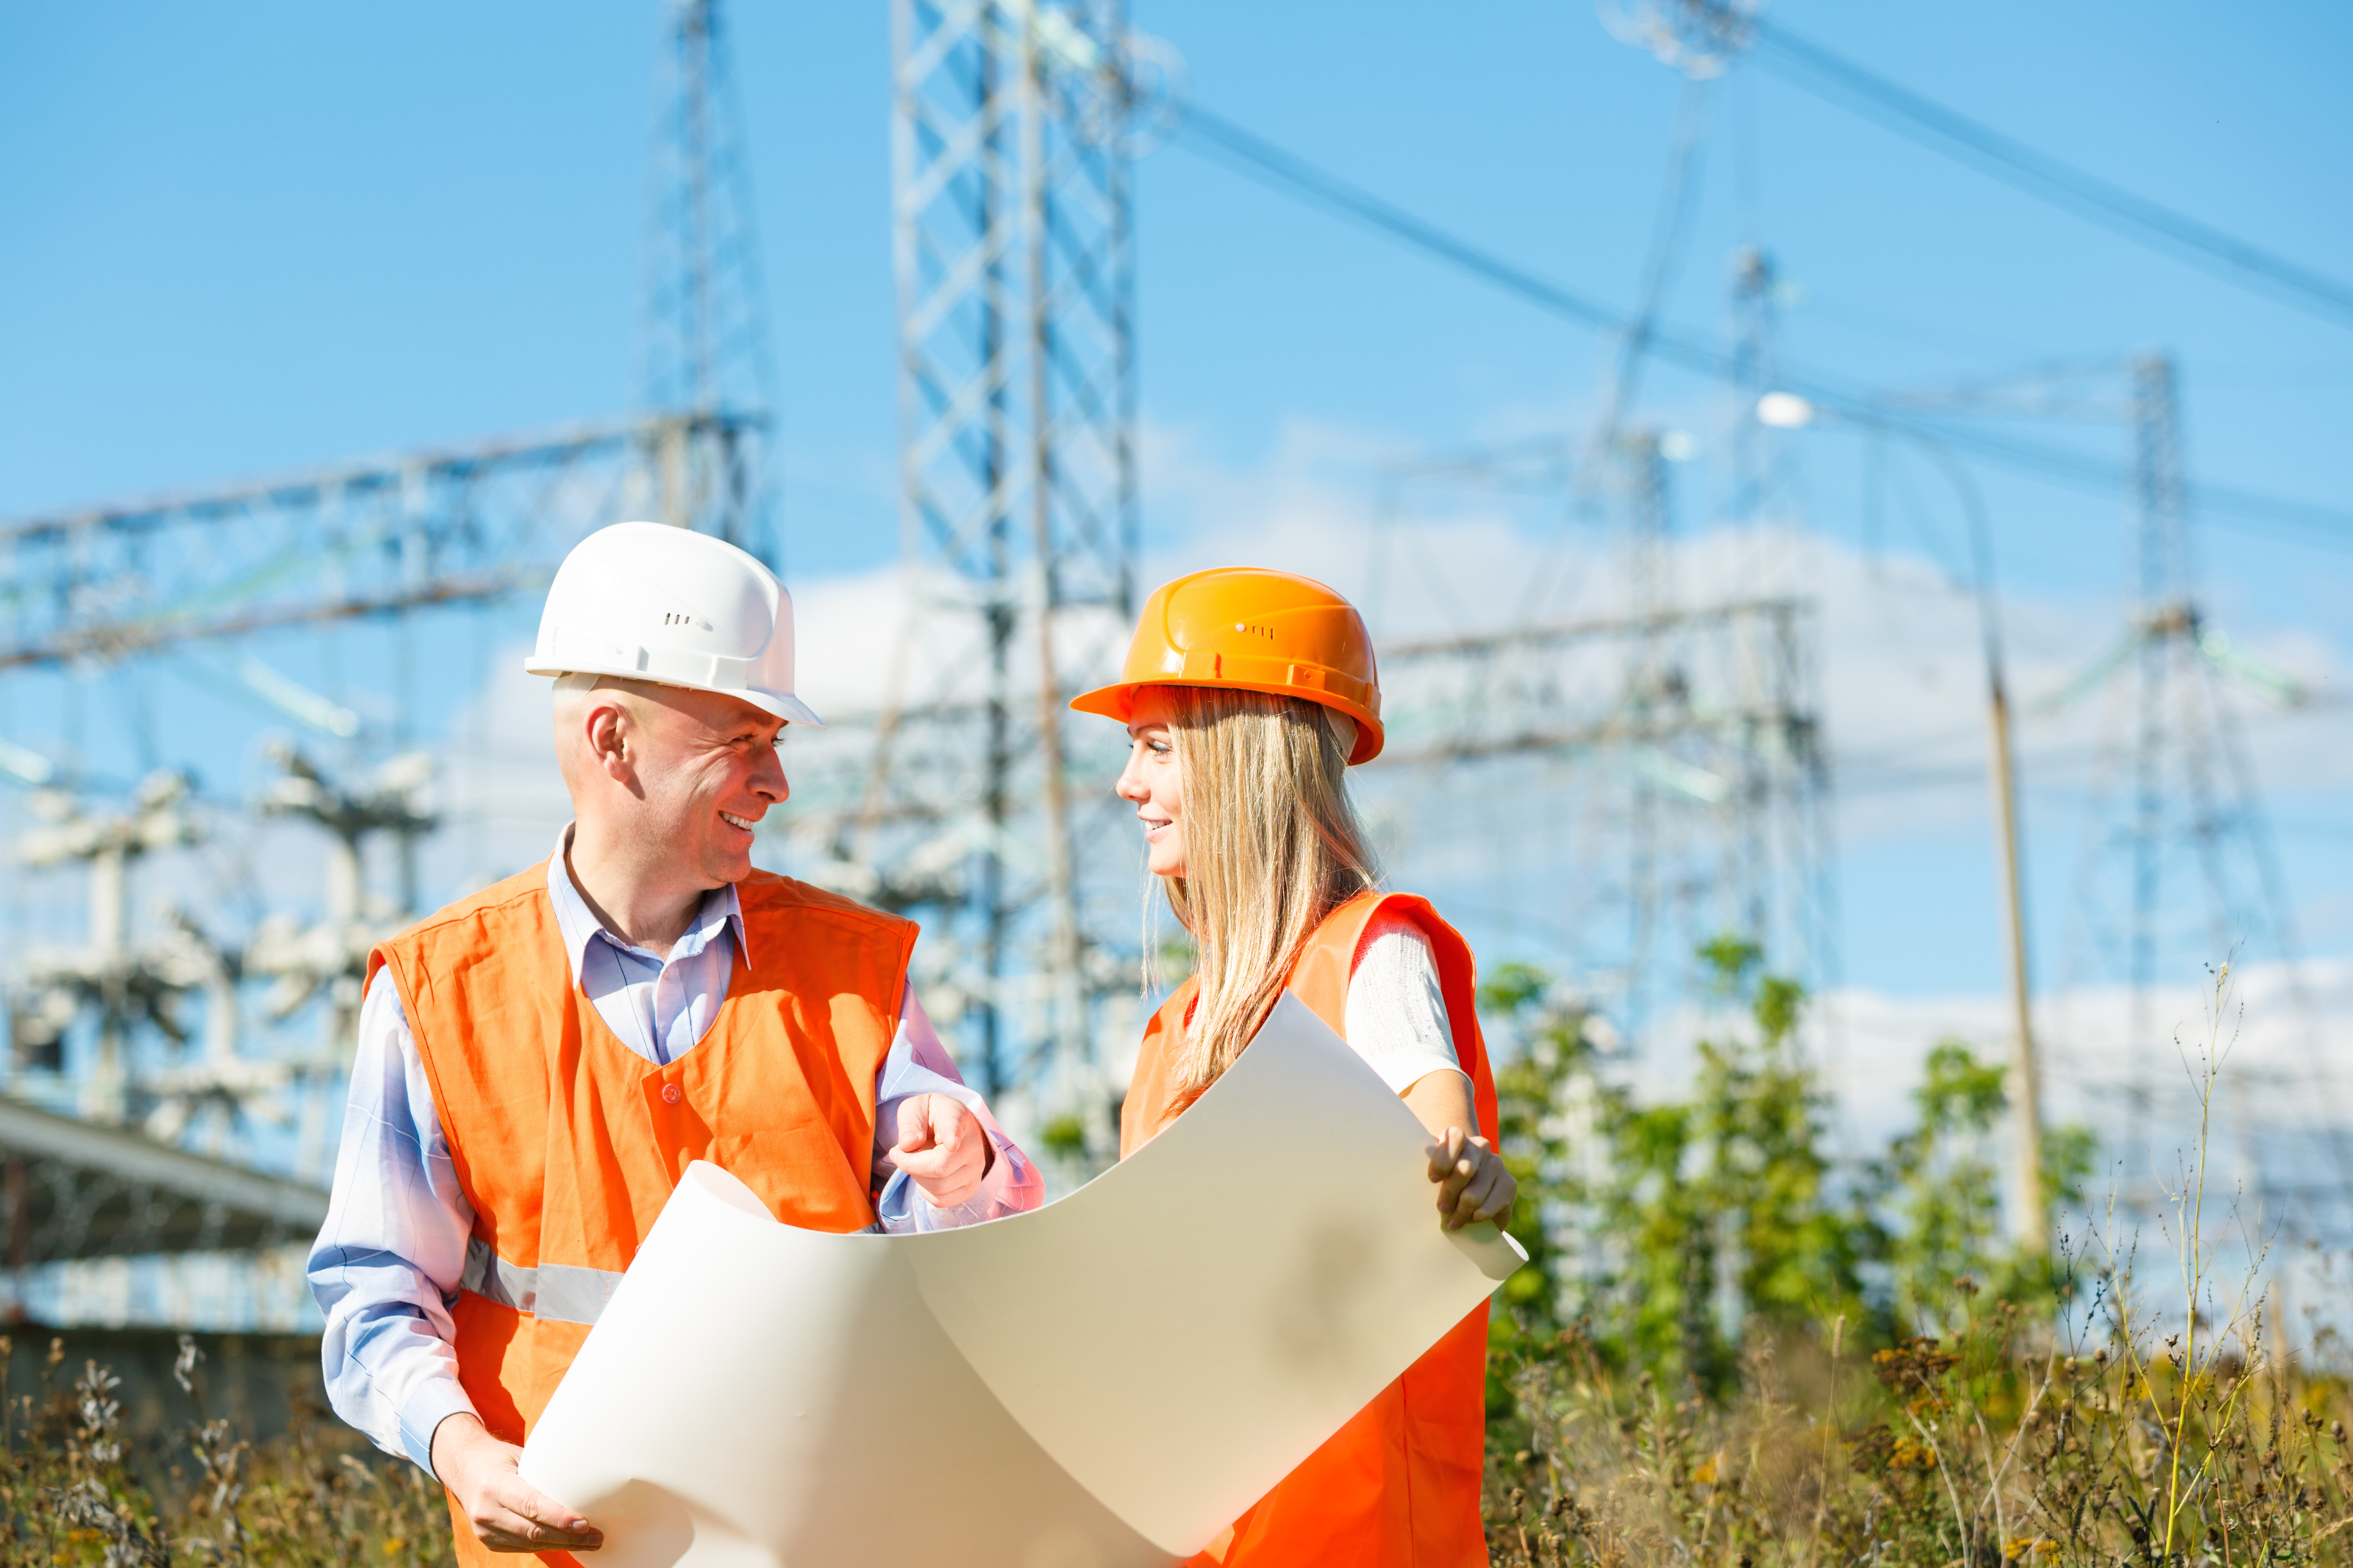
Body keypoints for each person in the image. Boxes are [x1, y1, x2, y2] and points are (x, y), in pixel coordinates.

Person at [308, 521, 1042, 1565]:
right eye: (742, 740)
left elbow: (984, 1249)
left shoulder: (855, 969)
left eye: (775, 741)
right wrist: (461, 1450)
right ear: (612, 740)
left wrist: (963, 1172)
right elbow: (374, 1290)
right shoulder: (440, 991)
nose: (776, 780)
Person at [1071, 566, 1515, 1568]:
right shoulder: (1169, 1036)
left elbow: (1435, 1123)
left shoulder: (1368, 951)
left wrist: (1463, 1167)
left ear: (1244, 759)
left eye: (1154, 747)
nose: (1126, 784)